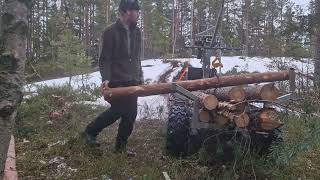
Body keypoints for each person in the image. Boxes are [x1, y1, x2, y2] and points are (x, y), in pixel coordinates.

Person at [82, 0, 143, 153]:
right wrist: (106, 78)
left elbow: (136, 57)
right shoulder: (110, 32)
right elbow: (105, 59)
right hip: (116, 80)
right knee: (119, 110)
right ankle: (90, 131)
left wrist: (140, 76)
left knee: (131, 114)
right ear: (128, 11)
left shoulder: (137, 32)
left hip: (132, 80)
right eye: (137, 11)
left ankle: (120, 147)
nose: (138, 14)